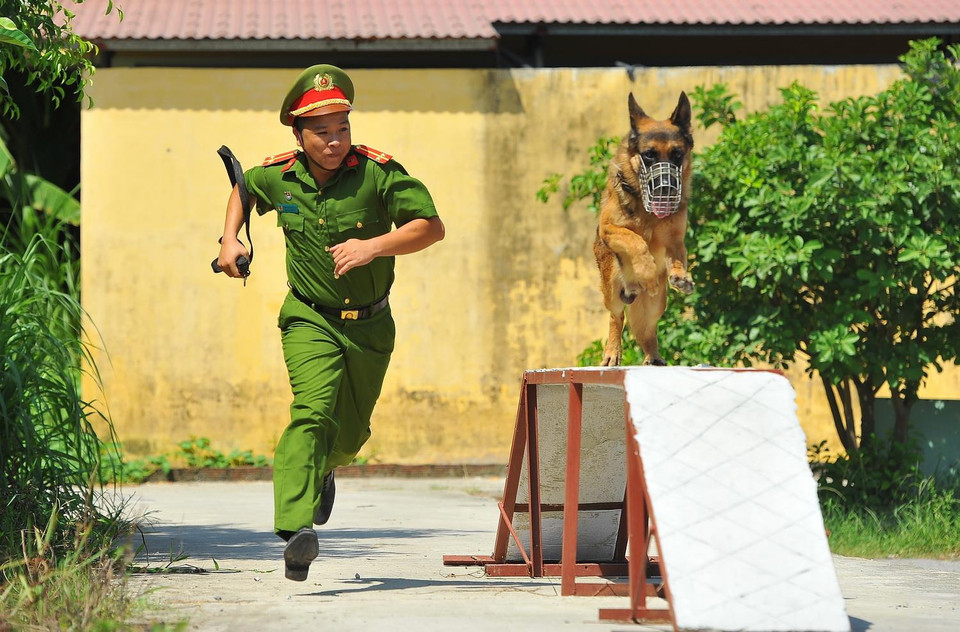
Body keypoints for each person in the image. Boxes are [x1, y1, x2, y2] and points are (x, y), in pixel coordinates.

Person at [216, 64, 445, 581]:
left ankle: (323, 471)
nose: (335, 140)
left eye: (342, 127)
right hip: (309, 318)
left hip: (370, 325)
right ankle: (296, 529)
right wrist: (230, 238)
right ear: (298, 134)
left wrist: (374, 246)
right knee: (312, 413)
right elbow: (244, 188)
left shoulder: (380, 173)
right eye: (322, 132)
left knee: (350, 435)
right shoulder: (280, 174)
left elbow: (431, 227)